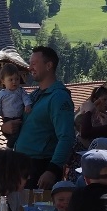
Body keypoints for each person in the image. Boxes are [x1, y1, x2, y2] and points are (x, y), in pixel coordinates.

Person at [14, 46, 75, 191]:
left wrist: (52, 170)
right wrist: (6, 128)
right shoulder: (34, 96)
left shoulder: (59, 97)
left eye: (34, 63)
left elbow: (66, 137)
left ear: (49, 66)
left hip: (41, 168)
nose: (30, 68)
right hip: (23, 166)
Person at [0, 62, 32, 148]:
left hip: (20, 117)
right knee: (13, 136)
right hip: (7, 119)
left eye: (17, 79)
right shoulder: (0, 95)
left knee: (20, 135)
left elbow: (26, 98)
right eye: (11, 79)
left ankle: (14, 148)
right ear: (3, 81)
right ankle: (9, 148)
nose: (14, 82)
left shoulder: (21, 91)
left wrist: (27, 105)